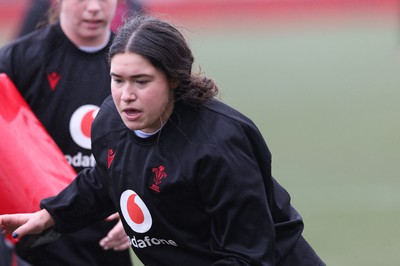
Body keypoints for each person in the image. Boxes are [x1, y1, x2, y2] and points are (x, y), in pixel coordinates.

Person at [0, 14, 326, 265]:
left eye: (141, 81)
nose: (125, 95)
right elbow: (104, 178)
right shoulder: (111, 121)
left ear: (174, 80)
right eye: (117, 79)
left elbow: (247, 254)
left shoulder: (217, 144)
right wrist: (51, 215)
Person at [0, 0, 132, 265]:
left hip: (105, 242)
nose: (94, 8)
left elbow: (161, 153)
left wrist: (137, 215)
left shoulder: (135, 67)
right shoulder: (18, 61)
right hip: (34, 245)